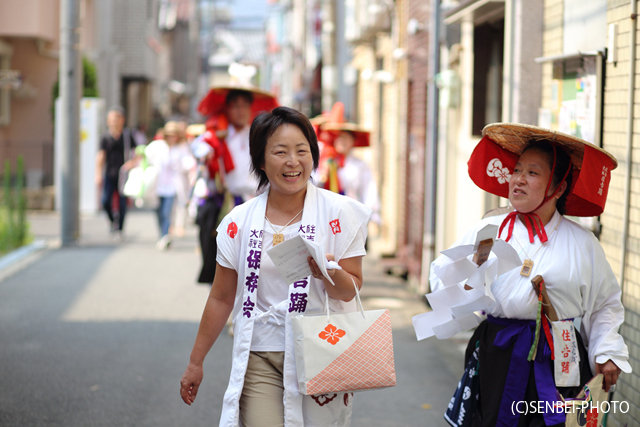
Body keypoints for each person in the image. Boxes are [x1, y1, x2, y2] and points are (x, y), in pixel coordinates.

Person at [180, 106, 372, 426]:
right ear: (260, 161)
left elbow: (350, 290)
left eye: (302, 150)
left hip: (321, 350)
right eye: (280, 152)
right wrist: (195, 362)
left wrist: (326, 269)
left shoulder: (340, 214)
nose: (292, 161)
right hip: (260, 353)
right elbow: (221, 297)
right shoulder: (237, 223)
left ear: (314, 155)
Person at [430, 123, 631, 426]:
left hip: (560, 356)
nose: (518, 180)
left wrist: (606, 350)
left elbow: (604, 304)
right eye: (517, 169)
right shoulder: (489, 232)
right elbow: (441, 283)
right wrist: (468, 269)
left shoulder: (583, 244)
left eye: (533, 173)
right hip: (497, 351)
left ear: (559, 188)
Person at [194, 85, 278, 284]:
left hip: (253, 202)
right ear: (227, 109)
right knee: (215, 255)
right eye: (235, 106)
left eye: (244, 106)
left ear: (250, 109)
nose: (240, 110)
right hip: (222, 200)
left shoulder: (259, 136)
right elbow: (198, 146)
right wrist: (205, 151)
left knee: (251, 258)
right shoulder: (216, 134)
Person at [144, 121, 196, 250]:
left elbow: (188, 163)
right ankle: (163, 234)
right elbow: (147, 155)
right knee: (158, 212)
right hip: (158, 185)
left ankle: (166, 235)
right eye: (169, 135)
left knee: (167, 212)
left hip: (173, 187)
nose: (172, 137)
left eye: (174, 135)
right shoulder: (158, 146)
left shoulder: (182, 148)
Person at [95, 106, 139, 238]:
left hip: (123, 174)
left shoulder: (127, 136)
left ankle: (120, 228)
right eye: (111, 119)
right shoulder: (105, 137)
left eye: (116, 118)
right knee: (105, 201)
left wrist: (131, 163)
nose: (113, 121)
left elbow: (137, 153)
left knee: (122, 202)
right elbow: (100, 157)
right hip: (110, 173)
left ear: (122, 120)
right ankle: (112, 221)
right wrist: (97, 174)